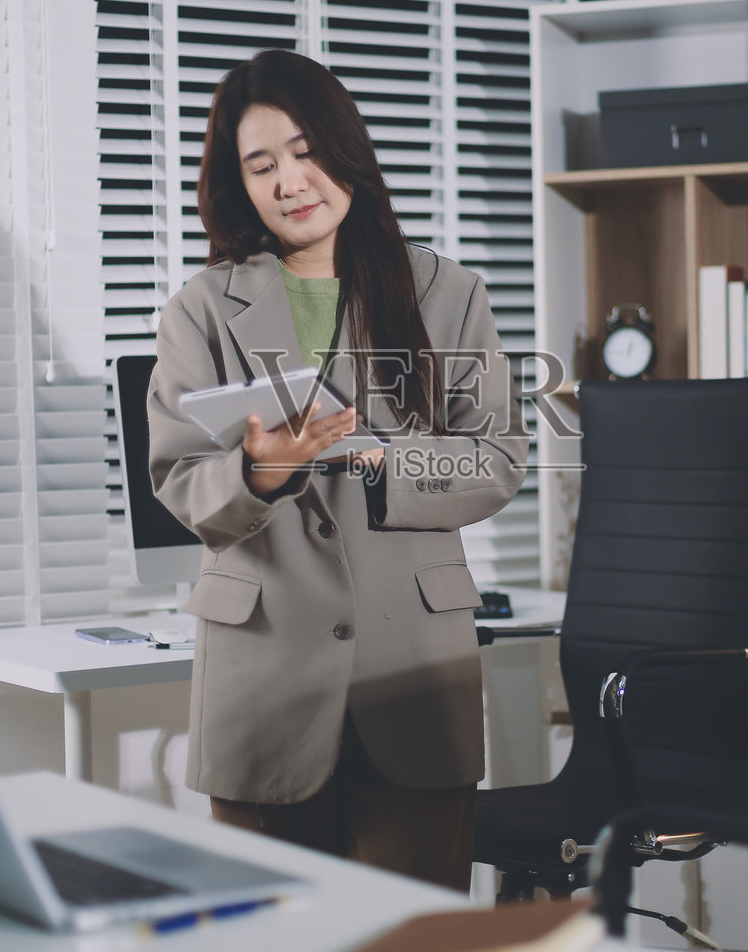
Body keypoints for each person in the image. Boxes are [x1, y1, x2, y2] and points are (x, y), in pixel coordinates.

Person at [143, 48, 528, 892]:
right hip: (264, 676)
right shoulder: (202, 308)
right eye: (262, 164)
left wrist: (381, 459)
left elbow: (497, 457)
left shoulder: (448, 293)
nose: (290, 180)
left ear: (346, 148)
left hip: (413, 673)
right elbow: (178, 474)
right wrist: (261, 468)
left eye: (306, 149)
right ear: (238, 185)